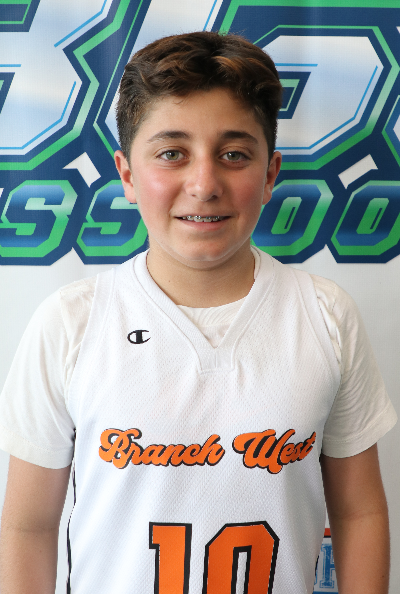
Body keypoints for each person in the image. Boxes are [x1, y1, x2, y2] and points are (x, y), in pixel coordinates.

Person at [0, 31, 397, 594]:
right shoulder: (72, 323)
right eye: (172, 153)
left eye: (234, 155)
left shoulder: (325, 315)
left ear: (270, 174)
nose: (205, 184)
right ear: (128, 174)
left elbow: (359, 512)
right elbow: (27, 526)